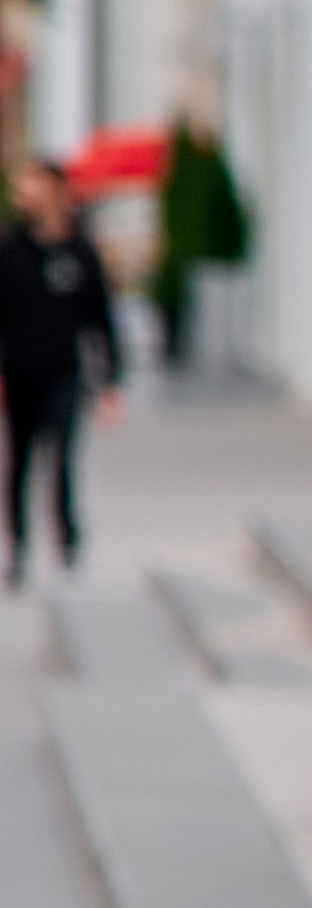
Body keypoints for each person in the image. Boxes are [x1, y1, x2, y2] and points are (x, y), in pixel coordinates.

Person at [0, 156, 124, 586]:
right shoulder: (10, 247)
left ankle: (68, 541)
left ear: (55, 189)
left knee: (63, 458)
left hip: (64, 371)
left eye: (30, 185)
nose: (22, 195)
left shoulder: (80, 250)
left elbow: (101, 317)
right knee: (19, 462)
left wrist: (110, 381)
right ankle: (18, 545)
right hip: (17, 373)